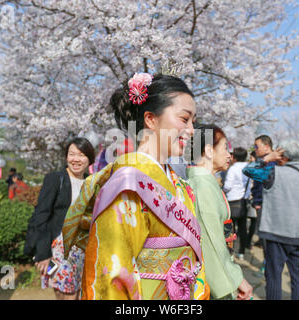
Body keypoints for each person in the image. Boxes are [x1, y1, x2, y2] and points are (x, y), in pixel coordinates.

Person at [62, 73, 210, 300]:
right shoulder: (127, 185)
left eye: (193, 121)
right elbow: (111, 273)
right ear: (151, 119)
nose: (191, 130)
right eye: (184, 119)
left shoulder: (179, 184)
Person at [243, 140, 299, 300]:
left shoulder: (272, 172)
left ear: (283, 157)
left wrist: (267, 158)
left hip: (275, 234)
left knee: (273, 277)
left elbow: (248, 170)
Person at [188, 124, 253, 300]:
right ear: (209, 150)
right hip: (211, 276)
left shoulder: (204, 182)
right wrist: (236, 279)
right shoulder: (202, 187)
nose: (229, 155)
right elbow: (211, 243)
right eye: (225, 147)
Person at [24, 137, 95, 299]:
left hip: (83, 250)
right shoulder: (55, 179)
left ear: (89, 159)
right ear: (66, 157)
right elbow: (41, 215)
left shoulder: (91, 183)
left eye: (82, 155)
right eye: (72, 154)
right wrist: (42, 253)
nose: (76, 159)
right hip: (57, 250)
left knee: (79, 293)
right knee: (64, 292)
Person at [223, 147, 251, 260]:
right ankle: (242, 252)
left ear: (234, 157)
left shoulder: (233, 169)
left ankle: (230, 251)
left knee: (230, 228)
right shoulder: (249, 168)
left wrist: (222, 190)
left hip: (232, 201)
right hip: (244, 201)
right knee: (243, 228)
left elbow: (228, 186)